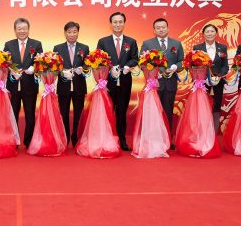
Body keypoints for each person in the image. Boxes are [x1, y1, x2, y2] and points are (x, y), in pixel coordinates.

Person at [96, 12, 138, 151]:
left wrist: (127, 66)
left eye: (120, 22)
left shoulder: (131, 41)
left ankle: (122, 140)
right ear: (110, 24)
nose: (118, 24)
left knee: (121, 111)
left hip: (125, 81)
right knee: (107, 111)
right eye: (115, 22)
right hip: (107, 83)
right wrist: (109, 67)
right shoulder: (103, 41)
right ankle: (106, 138)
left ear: (124, 23)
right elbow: (98, 59)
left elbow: (135, 58)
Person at [140, 18, 184, 148]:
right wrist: (152, 72)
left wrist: (176, 66)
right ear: (154, 30)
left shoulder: (177, 43)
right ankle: (152, 139)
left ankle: (168, 140)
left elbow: (182, 61)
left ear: (168, 28)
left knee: (167, 111)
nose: (161, 29)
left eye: (163, 27)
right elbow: (142, 61)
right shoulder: (147, 43)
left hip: (170, 84)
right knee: (153, 112)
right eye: (158, 27)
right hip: (154, 84)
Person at [3, 18, 43, 148]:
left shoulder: (36, 44)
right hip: (13, 85)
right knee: (12, 114)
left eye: (24, 28)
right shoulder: (9, 44)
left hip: (29, 85)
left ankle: (29, 141)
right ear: (15, 30)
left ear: (28, 29)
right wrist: (11, 70)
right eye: (19, 29)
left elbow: (40, 61)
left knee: (30, 114)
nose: (22, 31)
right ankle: (13, 140)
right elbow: (4, 62)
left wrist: (34, 68)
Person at [54, 21, 89, 147]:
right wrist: (62, 72)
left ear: (78, 33)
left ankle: (76, 140)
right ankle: (64, 139)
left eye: (74, 31)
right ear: (65, 33)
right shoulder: (58, 48)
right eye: (69, 32)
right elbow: (55, 65)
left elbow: (88, 64)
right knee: (63, 113)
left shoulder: (84, 48)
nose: (72, 34)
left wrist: (82, 68)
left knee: (79, 114)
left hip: (79, 85)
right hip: (63, 86)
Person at [193, 24, 229, 132]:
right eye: (207, 31)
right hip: (202, 84)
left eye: (212, 31)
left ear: (216, 33)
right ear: (203, 34)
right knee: (202, 109)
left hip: (218, 83)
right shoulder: (197, 48)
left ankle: (213, 138)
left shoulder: (222, 47)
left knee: (216, 109)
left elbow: (225, 65)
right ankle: (203, 134)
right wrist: (202, 77)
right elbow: (194, 65)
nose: (210, 34)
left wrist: (218, 76)